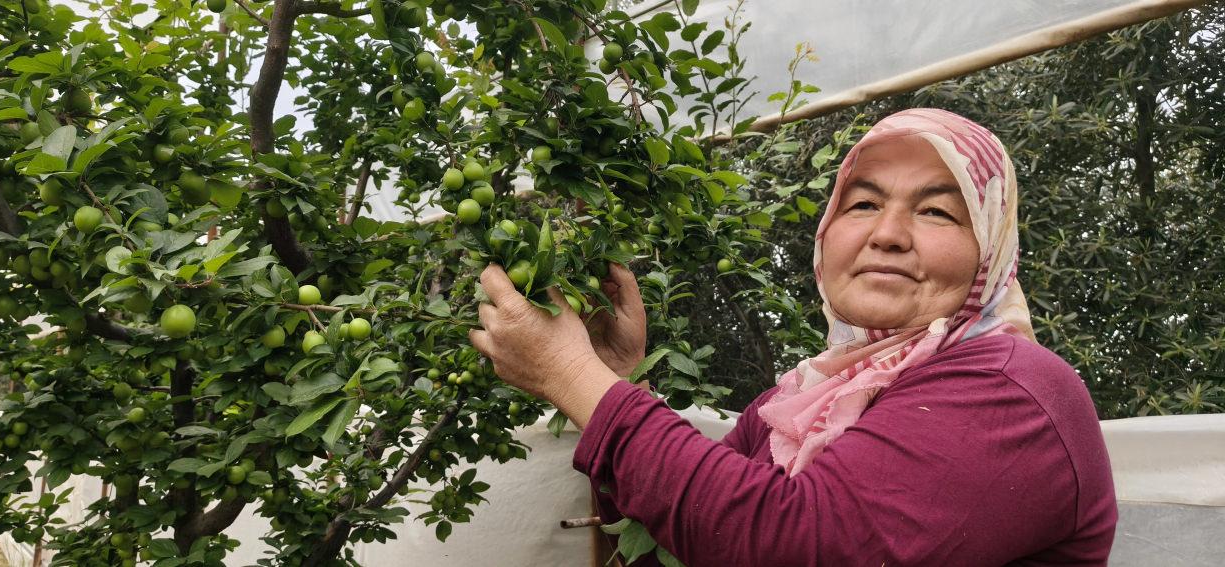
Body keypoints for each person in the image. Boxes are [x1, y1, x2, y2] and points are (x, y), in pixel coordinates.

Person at [468, 108, 1118, 566]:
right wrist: (622, 376)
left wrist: (577, 379)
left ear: (992, 247)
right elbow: (689, 527)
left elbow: (793, 543)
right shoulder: (815, 394)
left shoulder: (1012, 387)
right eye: (861, 203)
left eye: (937, 210)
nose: (887, 232)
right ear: (826, 235)